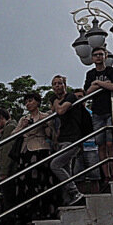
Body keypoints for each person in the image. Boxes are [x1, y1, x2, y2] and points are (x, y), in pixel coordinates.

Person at [11, 91, 57, 225]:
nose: (28, 104)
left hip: (41, 148)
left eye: (30, 101)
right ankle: (29, 215)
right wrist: (22, 127)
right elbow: (13, 135)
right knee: (26, 183)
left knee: (42, 181)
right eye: (26, 101)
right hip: (26, 151)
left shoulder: (45, 116)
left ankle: (45, 211)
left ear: (37, 101)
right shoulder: (23, 119)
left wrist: (47, 125)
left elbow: (51, 134)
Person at [84, 49, 113, 185]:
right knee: (100, 144)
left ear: (105, 56)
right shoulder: (90, 74)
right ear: (92, 58)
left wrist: (99, 84)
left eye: (101, 54)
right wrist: (105, 85)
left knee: (110, 143)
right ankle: (106, 174)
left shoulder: (112, 71)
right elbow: (87, 91)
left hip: (112, 110)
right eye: (95, 55)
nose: (98, 57)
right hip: (97, 112)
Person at [48, 75, 86, 207]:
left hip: (73, 137)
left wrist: (55, 103)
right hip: (62, 138)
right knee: (65, 168)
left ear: (65, 85)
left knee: (55, 165)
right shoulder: (54, 99)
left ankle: (75, 191)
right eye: (54, 84)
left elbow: (60, 110)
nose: (57, 86)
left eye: (59, 83)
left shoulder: (71, 97)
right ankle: (69, 198)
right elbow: (54, 111)